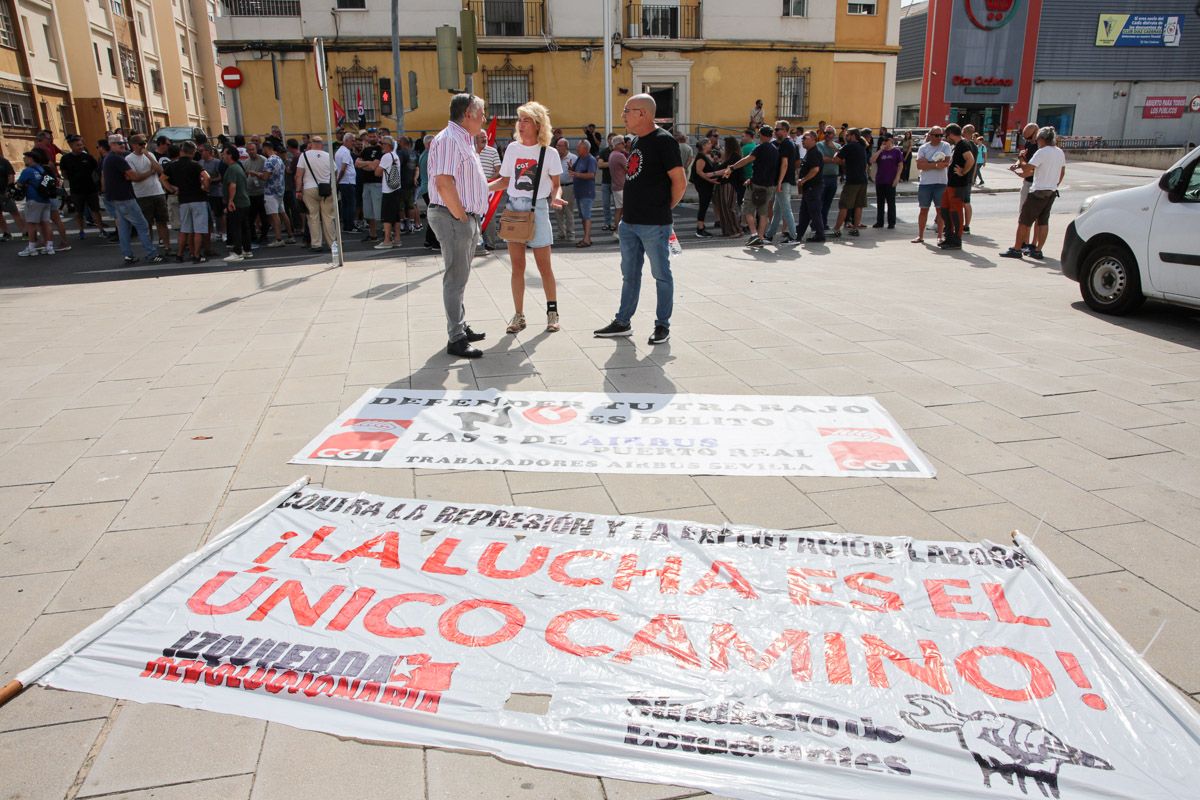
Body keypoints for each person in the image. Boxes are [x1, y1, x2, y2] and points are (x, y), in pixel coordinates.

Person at [593, 93, 685, 345]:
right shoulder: (635, 141)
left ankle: (662, 325)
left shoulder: (664, 141)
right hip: (630, 223)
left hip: (654, 224)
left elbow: (680, 181)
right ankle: (623, 321)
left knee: (661, 275)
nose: (623, 115)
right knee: (629, 275)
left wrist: (662, 211)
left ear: (642, 113)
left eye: (627, 110)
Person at [491, 100, 566, 335]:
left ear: (537, 124)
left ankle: (552, 313)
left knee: (545, 267)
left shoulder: (549, 152)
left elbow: (556, 185)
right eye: (519, 119)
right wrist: (483, 187)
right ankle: (519, 315)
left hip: (538, 210)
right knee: (517, 267)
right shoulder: (513, 149)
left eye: (526, 120)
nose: (520, 124)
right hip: (514, 209)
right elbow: (505, 181)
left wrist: (556, 197)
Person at [428, 93, 491, 359]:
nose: (485, 119)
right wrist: (461, 216)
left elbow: (467, 183)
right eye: (482, 113)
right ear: (468, 114)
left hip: (462, 217)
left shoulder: (462, 140)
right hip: (453, 217)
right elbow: (444, 182)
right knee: (455, 279)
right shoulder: (450, 139)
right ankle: (456, 338)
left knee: (460, 278)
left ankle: (460, 327)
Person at [1000, 126, 1065, 261]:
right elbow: (1062, 171)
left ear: (1042, 139)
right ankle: (1038, 250)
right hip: (1051, 191)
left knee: (1024, 221)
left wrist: (1021, 158)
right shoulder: (1059, 152)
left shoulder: (1042, 152)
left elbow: (1028, 168)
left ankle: (1017, 248)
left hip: (1038, 190)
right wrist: (1054, 184)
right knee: (1043, 222)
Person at [101, 135, 162, 265]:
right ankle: (152, 254)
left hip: (116, 198)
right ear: (111, 145)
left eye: (123, 142)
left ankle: (128, 255)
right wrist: (150, 172)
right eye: (118, 143)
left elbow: (125, 177)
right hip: (125, 197)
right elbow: (135, 177)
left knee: (124, 228)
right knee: (142, 225)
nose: (122, 145)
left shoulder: (109, 158)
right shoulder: (118, 159)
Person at [725, 125, 780, 247]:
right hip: (770, 185)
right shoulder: (775, 149)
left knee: (748, 209)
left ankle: (754, 234)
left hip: (757, 184)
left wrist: (732, 167)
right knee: (763, 212)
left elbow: (747, 160)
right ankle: (760, 237)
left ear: (761, 135)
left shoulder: (759, 148)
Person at [161, 141, 210, 263]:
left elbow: (162, 178)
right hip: (198, 199)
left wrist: (172, 189)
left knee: (185, 229)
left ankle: (180, 254)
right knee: (199, 229)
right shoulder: (195, 165)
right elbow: (207, 177)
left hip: (183, 199)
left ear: (181, 151)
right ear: (193, 152)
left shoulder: (172, 165)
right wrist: (205, 187)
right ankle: (197, 255)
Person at [126, 134, 170, 251]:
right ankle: (150, 248)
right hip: (142, 195)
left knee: (162, 221)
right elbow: (136, 177)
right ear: (134, 145)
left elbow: (160, 171)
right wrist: (150, 172)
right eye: (141, 144)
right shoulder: (129, 159)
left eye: (145, 143)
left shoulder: (150, 154)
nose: (143, 146)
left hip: (157, 192)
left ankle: (167, 246)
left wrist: (149, 157)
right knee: (147, 223)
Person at [59, 135, 108, 240]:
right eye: (78, 145)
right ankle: (81, 230)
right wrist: (69, 188)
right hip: (76, 190)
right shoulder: (65, 159)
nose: (80, 147)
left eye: (81, 145)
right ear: (71, 146)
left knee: (95, 210)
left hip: (90, 189)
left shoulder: (88, 157)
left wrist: (98, 185)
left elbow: (96, 171)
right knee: (79, 212)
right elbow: (64, 174)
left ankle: (101, 230)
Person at [295, 136, 336, 252]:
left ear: (311, 143)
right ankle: (332, 243)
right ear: (322, 144)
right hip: (327, 189)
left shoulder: (304, 155)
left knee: (313, 217)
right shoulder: (328, 156)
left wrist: (298, 190)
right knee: (328, 217)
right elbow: (335, 172)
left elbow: (299, 175)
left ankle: (316, 244)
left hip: (309, 188)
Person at [912, 126, 952, 244]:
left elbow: (945, 163)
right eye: (936, 135)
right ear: (930, 135)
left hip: (941, 183)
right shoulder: (923, 148)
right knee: (923, 210)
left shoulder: (946, 146)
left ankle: (940, 236)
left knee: (940, 211)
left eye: (941, 135)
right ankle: (920, 236)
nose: (939, 138)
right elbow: (919, 165)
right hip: (925, 183)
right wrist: (934, 164)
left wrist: (928, 163)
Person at [938, 123, 974, 251]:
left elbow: (970, 159)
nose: (946, 137)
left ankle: (956, 240)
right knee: (945, 210)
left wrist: (963, 171)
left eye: (946, 135)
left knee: (955, 212)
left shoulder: (963, 144)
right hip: (951, 184)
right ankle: (949, 237)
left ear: (951, 134)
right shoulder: (957, 146)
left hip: (958, 185)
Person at [829, 128, 869, 238]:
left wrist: (837, 152)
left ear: (852, 136)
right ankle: (855, 229)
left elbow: (836, 160)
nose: (845, 137)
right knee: (858, 205)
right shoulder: (861, 146)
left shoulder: (849, 146)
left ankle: (837, 229)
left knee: (844, 205)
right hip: (863, 179)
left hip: (852, 181)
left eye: (847, 135)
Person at [15, 151, 55, 256]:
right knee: (46, 223)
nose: (24, 159)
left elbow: (19, 184)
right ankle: (49, 246)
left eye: (26, 158)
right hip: (45, 200)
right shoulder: (42, 169)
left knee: (31, 224)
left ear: (31, 159)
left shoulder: (27, 171)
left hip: (33, 199)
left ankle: (31, 248)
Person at [764, 120, 798, 244]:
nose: (775, 131)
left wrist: (779, 182)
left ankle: (794, 236)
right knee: (777, 210)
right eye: (775, 129)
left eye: (777, 129)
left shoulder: (786, 144)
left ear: (784, 131)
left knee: (786, 209)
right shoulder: (789, 143)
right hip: (784, 181)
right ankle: (769, 235)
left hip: (783, 182)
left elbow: (785, 164)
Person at [1010, 123, 1040, 253]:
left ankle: (1032, 244)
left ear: (1036, 133)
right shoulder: (1030, 145)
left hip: (1036, 184)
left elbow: (1028, 167)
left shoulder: (1041, 148)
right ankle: (1025, 242)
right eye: (1025, 139)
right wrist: (1017, 164)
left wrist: (1021, 162)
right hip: (1028, 182)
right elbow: (1024, 160)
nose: (1027, 141)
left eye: (1029, 138)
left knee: (1035, 217)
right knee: (1024, 214)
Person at [221, 145, 252, 263]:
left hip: (237, 203)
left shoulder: (232, 168)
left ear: (230, 155)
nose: (222, 156)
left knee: (236, 228)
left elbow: (232, 185)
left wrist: (230, 201)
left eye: (224, 153)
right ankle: (247, 250)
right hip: (244, 201)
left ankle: (238, 252)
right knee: (244, 228)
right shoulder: (238, 167)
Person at [793, 130, 826, 243]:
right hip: (809, 188)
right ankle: (798, 234)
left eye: (805, 138)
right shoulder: (809, 152)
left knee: (814, 212)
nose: (802, 140)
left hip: (813, 187)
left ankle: (820, 235)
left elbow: (815, 169)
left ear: (813, 139)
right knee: (805, 213)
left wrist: (803, 179)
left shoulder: (814, 153)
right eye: (802, 139)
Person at [375, 136, 403, 250]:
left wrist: (375, 166)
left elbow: (377, 173)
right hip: (396, 189)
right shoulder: (395, 156)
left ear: (388, 145)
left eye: (382, 144)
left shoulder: (386, 156)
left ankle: (387, 240)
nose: (381, 145)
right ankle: (397, 239)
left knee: (386, 217)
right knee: (396, 216)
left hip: (388, 190)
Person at [474, 131, 501, 250]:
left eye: (485, 137)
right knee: (474, 216)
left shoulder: (492, 151)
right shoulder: (470, 151)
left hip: (489, 190)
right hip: (473, 189)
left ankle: (490, 243)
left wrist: (489, 180)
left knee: (490, 217)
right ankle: (476, 242)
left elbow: (499, 170)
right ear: (475, 139)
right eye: (481, 137)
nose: (484, 139)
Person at [870, 134, 903, 229]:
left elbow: (900, 165)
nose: (885, 142)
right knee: (880, 202)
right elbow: (871, 160)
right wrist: (880, 150)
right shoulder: (880, 152)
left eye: (887, 140)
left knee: (891, 203)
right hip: (880, 180)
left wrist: (897, 178)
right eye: (884, 141)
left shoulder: (896, 152)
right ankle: (879, 222)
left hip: (891, 180)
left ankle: (891, 222)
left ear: (891, 141)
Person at [260, 140, 289, 247]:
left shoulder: (269, 161)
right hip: (280, 190)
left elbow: (265, 177)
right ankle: (290, 235)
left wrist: (255, 174)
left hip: (271, 191)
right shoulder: (279, 159)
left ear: (265, 148)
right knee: (282, 213)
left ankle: (278, 238)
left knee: (274, 215)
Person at [356, 131, 383, 242]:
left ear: (378, 137)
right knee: (368, 211)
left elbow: (374, 167)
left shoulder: (380, 150)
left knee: (379, 211)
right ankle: (373, 234)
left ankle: (387, 233)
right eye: (370, 136)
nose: (372, 138)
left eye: (374, 136)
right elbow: (357, 163)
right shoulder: (365, 150)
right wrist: (368, 164)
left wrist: (365, 164)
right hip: (366, 183)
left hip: (377, 183)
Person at [713, 136, 742, 237]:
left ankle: (736, 230)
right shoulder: (730, 156)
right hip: (725, 183)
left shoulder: (734, 156)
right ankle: (727, 230)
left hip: (730, 184)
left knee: (729, 207)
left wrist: (712, 173)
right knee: (724, 208)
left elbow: (726, 169)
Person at [691, 137, 720, 237]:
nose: (711, 145)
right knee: (703, 205)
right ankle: (700, 228)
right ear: (704, 146)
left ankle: (701, 227)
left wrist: (715, 161)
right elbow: (699, 172)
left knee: (705, 205)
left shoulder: (705, 156)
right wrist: (709, 180)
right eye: (708, 143)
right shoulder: (701, 157)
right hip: (703, 184)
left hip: (706, 184)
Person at [571, 140, 597, 247]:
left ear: (585, 149)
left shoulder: (590, 160)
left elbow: (591, 175)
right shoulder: (579, 158)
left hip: (587, 191)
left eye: (579, 147)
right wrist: (571, 168)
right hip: (579, 191)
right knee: (583, 216)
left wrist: (576, 174)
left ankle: (586, 239)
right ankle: (587, 238)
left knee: (586, 216)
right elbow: (574, 169)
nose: (577, 149)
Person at [201, 143, 226, 254]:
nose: (200, 153)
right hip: (205, 193)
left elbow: (221, 176)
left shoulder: (217, 162)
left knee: (219, 214)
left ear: (208, 151)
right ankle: (213, 232)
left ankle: (223, 232)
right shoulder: (200, 163)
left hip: (217, 192)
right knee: (208, 214)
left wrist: (210, 180)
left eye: (202, 151)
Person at [553, 137, 576, 243]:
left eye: (559, 146)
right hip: (557, 187)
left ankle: (571, 234)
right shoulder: (555, 157)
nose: (557, 148)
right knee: (558, 212)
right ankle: (561, 233)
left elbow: (577, 172)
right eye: (557, 145)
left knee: (569, 211)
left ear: (566, 147)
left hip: (568, 187)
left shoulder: (573, 158)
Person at [817, 126, 841, 229]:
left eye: (830, 133)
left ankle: (824, 223)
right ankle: (817, 224)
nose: (827, 134)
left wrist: (834, 148)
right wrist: (833, 159)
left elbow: (841, 160)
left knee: (827, 203)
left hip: (833, 177)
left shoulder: (838, 146)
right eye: (826, 132)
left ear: (834, 135)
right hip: (822, 177)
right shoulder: (819, 145)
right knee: (819, 202)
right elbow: (822, 159)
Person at [334, 133, 358, 234]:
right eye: (352, 141)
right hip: (347, 181)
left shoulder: (339, 151)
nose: (354, 143)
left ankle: (346, 225)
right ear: (346, 140)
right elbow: (343, 168)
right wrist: (338, 180)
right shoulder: (345, 152)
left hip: (344, 182)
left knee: (345, 204)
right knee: (350, 204)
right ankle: (350, 226)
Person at [0, 152, 25, 240]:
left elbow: (11, 175)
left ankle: (25, 232)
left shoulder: (3, 162)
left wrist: (9, 189)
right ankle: (6, 233)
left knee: (14, 212)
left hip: (5, 192)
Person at [608, 135, 628, 234]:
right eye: (622, 143)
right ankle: (622, 231)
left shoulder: (612, 154)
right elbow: (629, 169)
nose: (624, 145)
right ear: (618, 144)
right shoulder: (620, 156)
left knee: (618, 209)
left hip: (616, 186)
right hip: (622, 186)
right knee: (625, 209)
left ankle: (617, 230)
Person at [598, 133, 617, 232]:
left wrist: (607, 163)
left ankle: (616, 223)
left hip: (616, 182)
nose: (611, 140)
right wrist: (613, 163)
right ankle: (607, 223)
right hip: (606, 181)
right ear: (608, 140)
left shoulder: (619, 151)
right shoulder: (604, 151)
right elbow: (600, 164)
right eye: (610, 139)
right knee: (606, 204)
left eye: (613, 139)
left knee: (618, 205)